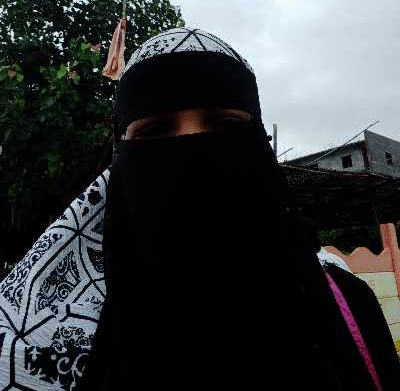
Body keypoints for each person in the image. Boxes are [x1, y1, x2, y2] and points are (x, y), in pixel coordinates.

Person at [0, 27, 398, 390]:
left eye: (225, 125)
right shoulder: (54, 344)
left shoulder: (350, 306)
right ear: (121, 157)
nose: (192, 151)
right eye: (155, 131)